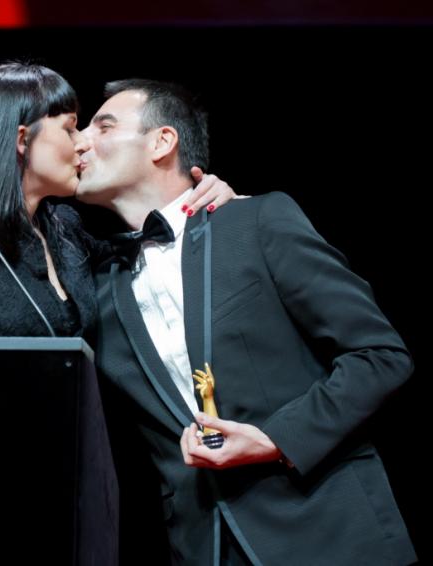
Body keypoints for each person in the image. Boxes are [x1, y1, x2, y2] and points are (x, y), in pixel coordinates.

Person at [77, 79, 416, 564]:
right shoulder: (95, 283)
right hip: (203, 547)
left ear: (162, 142)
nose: (82, 140)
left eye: (103, 126)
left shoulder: (255, 221)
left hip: (328, 532)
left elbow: (380, 356)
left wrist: (278, 438)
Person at [0, 62, 235, 338]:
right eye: (70, 128)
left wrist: (205, 200)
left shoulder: (65, 230)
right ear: (23, 140)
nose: (82, 142)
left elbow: (146, 251)